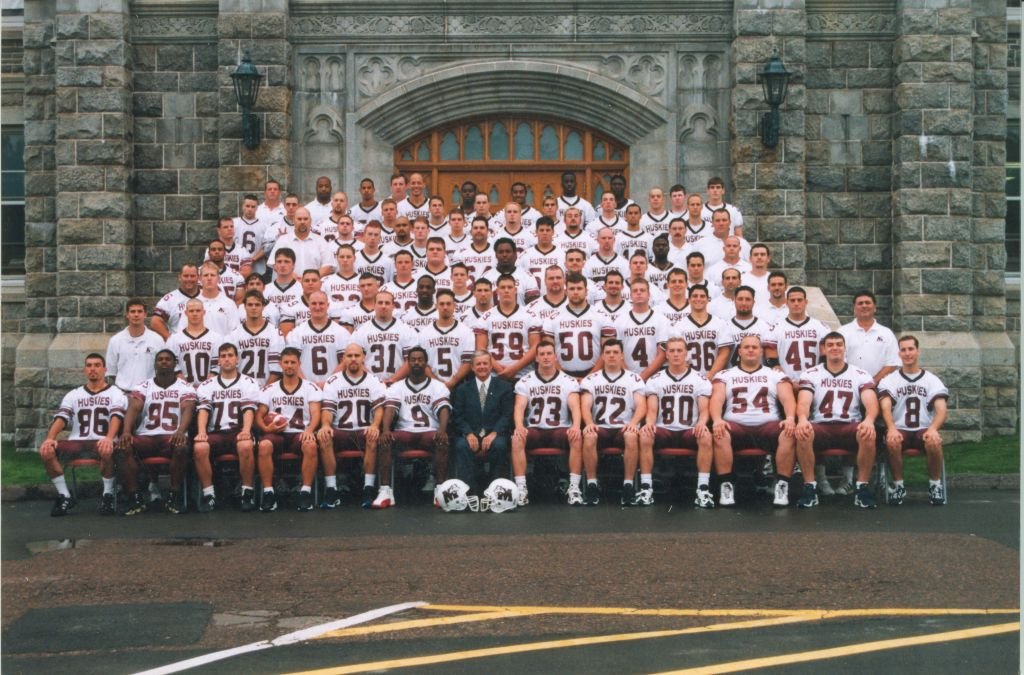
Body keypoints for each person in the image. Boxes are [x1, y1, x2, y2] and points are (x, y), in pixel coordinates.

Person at [793, 332, 879, 509]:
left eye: (839, 344)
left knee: (868, 433)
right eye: (830, 345)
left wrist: (869, 420)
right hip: (821, 425)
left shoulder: (860, 374)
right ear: (823, 349)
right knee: (803, 432)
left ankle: (862, 487)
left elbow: (871, 402)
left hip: (849, 425)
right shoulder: (811, 374)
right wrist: (802, 419)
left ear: (845, 348)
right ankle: (810, 487)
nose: (835, 348)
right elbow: (804, 401)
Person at [710, 335, 796, 507]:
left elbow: (788, 399)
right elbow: (717, 399)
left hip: (767, 425)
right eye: (746, 347)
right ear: (739, 351)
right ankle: (726, 486)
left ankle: (781, 485)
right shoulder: (725, 375)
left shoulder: (774, 375)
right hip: (735, 426)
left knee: (788, 432)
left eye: (755, 347)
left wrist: (791, 418)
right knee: (719, 432)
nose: (750, 350)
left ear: (761, 351)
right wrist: (717, 419)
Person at [39, 354, 127, 516]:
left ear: (105, 369)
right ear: (84, 370)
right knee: (46, 450)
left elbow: (117, 417)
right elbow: (61, 418)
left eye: (97, 365)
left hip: (102, 440)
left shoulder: (115, 392)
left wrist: (109, 437)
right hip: (78, 441)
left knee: (106, 449)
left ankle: (107, 494)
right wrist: (50, 438)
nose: (93, 368)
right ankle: (64, 495)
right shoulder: (74, 394)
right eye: (89, 365)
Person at [118, 350, 195, 514]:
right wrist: (126, 431)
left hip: (171, 436)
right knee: (123, 447)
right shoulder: (144, 386)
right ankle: (135, 497)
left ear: (175, 364)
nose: (164, 362)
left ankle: (174, 495)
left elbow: (188, 407)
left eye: (168, 359)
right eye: (160, 359)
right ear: (154, 364)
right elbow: (134, 408)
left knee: (181, 447)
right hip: (147, 435)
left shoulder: (185, 386)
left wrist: (181, 430)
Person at [642, 336, 715, 508]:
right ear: (666, 354)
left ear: (687, 354)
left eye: (679, 350)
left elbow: (704, 411)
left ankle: (703, 488)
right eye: (672, 351)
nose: (675, 354)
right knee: (645, 435)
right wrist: (649, 423)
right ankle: (646, 487)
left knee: (705, 436)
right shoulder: (655, 380)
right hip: (664, 429)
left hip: (689, 430)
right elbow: (652, 410)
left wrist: (702, 423)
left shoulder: (700, 380)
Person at [376, 347, 452, 508]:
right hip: (405, 432)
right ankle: (385, 490)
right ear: (408, 362)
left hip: (429, 432)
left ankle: (440, 489)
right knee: (385, 441)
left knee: (442, 441)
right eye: (413, 359)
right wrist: (386, 430)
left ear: (426, 363)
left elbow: (444, 409)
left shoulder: (438, 386)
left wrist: (442, 429)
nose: (416, 362)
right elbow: (390, 409)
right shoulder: (397, 387)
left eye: (420, 359)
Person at [878, 335, 950, 506]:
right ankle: (898, 486)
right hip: (901, 429)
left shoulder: (931, 380)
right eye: (903, 350)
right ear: (899, 354)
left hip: (923, 429)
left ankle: (935, 485)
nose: (907, 353)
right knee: (892, 441)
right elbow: (886, 408)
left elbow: (941, 410)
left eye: (911, 349)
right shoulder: (890, 380)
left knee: (933, 441)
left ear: (918, 351)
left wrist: (933, 429)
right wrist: (891, 428)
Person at [511, 341, 584, 505]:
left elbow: (575, 406)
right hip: (535, 429)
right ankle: (521, 489)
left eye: (549, 353)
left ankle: (574, 488)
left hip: (559, 429)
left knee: (576, 437)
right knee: (517, 438)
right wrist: (519, 426)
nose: (545, 357)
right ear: (536, 358)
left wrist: (576, 426)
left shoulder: (568, 381)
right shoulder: (525, 381)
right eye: (542, 354)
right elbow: (519, 407)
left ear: (555, 356)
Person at [318, 344, 388, 508]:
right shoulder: (333, 381)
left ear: (363, 358)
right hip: (341, 430)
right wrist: (325, 425)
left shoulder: (374, 381)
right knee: (324, 436)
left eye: (357, 355)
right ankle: (331, 490)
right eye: (349, 356)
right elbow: (328, 410)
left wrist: (375, 425)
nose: (353, 359)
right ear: (343, 359)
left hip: (363, 429)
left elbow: (379, 410)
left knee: (372, 436)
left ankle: (368, 488)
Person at [193, 342, 260, 512]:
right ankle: (209, 494)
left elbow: (249, 410)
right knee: (200, 447)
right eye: (223, 356)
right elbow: (203, 411)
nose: (227, 359)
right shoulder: (207, 385)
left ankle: (247, 491)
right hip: (216, 432)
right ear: (218, 361)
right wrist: (202, 432)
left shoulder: (248, 382)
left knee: (245, 445)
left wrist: (246, 430)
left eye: (230, 355)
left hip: (238, 430)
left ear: (237, 359)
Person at [254, 346, 322, 512]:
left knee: (311, 445)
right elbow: (259, 415)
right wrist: (266, 428)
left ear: (299, 364)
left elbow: (315, 414)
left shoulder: (310, 387)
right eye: (286, 362)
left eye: (293, 362)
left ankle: (305, 492)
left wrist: (309, 430)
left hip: (299, 433)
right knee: (264, 446)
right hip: (277, 434)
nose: (289, 366)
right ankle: (269, 492)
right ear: (280, 364)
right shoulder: (270, 389)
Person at [581, 340, 648, 506]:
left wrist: (633, 422)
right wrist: (589, 422)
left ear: (622, 355)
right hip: (601, 427)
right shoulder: (591, 379)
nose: (611, 355)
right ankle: (591, 484)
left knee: (632, 435)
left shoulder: (634, 379)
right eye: (608, 352)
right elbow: (585, 405)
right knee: (589, 436)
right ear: (603, 356)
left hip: (623, 427)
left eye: (615, 352)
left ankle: (628, 485)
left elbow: (641, 405)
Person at [450, 351, 515, 493]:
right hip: (471, 433)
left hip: (495, 433)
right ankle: (469, 491)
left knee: (500, 445)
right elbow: (458, 416)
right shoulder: (462, 389)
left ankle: (496, 490)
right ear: (472, 367)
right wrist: (468, 434)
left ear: (491, 366)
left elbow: (506, 415)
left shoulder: (504, 387)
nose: (482, 367)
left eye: (485, 363)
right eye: (478, 364)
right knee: (461, 445)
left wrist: (494, 433)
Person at [543, 273, 616, 379]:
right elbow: (547, 353)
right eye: (572, 289)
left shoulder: (601, 316)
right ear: (566, 292)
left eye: (579, 288)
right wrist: (565, 377)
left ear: (586, 291)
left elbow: (608, 352)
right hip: (561, 376)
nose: (576, 292)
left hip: (596, 375)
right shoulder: (552, 318)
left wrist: (590, 377)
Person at [474, 274, 540, 382]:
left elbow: (535, 347)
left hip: (524, 375)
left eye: (509, 287)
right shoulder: (486, 317)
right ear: (497, 291)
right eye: (503, 287)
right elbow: (481, 348)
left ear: (515, 290)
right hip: (495, 375)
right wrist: (500, 369)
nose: (506, 290)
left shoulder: (529, 316)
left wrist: (515, 368)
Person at [351, 290, 419, 385]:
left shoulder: (407, 330)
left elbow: (411, 360)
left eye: (387, 303)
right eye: (380, 303)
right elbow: (355, 361)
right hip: (369, 385)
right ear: (374, 305)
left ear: (393, 306)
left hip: (399, 385)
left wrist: (393, 380)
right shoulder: (361, 331)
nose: (383, 306)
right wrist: (374, 382)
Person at [286, 291, 349, 386]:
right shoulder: (297, 333)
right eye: (314, 303)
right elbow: (292, 362)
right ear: (308, 305)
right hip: (304, 387)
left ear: (328, 305)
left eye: (321, 303)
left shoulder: (341, 332)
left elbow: (344, 362)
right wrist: (306, 384)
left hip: (334, 387)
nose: (317, 307)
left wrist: (328, 383)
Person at [106, 298, 166, 392]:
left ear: (145, 314)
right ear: (127, 315)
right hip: (123, 394)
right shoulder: (115, 341)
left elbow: (163, 369)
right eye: (132, 311)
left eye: (140, 311)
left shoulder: (157, 340)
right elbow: (111, 373)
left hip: (149, 393)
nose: (136, 314)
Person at [419, 289, 474, 390]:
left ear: (454, 306)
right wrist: (437, 384)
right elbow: (424, 363)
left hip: (460, 385)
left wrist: (453, 381)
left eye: (448, 304)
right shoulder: (425, 333)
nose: (445, 307)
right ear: (436, 306)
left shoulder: (465, 331)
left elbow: (468, 362)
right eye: (442, 304)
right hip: (432, 387)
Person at [618, 278, 670, 381]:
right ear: (630, 295)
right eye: (635, 291)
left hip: (656, 377)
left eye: (642, 290)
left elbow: (662, 354)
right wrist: (630, 378)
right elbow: (617, 353)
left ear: (649, 294)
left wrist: (642, 377)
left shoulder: (661, 319)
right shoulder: (620, 320)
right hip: (627, 378)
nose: (639, 293)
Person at [229, 290, 284, 386]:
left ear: (263, 307)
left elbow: (277, 369)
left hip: (268, 389)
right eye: (250, 305)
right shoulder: (234, 335)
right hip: (242, 389)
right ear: (244, 306)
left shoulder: (275, 333)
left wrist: (265, 390)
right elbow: (230, 367)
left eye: (257, 305)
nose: (253, 308)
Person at [675, 284, 731, 378]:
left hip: (714, 378)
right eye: (695, 296)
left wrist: (710, 376)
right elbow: (676, 355)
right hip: (687, 378)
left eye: (702, 296)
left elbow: (724, 353)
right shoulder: (679, 326)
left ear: (708, 299)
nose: (698, 299)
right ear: (689, 300)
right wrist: (690, 377)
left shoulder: (720, 324)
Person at [166, 298, 223, 386]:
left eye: (198, 310)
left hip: (210, 389)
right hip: (182, 389)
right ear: (185, 313)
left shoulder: (216, 339)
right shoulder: (174, 339)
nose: (195, 314)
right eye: (191, 311)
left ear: (204, 312)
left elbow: (216, 367)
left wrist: (205, 387)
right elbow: (173, 366)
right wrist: (186, 386)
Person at [269, 207, 336, 278]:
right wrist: (292, 277)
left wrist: (310, 278)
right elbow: (274, 263)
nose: (302, 222)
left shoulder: (320, 241)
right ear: (294, 221)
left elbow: (328, 265)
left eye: (305, 219)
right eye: (299, 219)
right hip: (289, 285)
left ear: (310, 221)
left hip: (312, 285)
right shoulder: (283, 240)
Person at [481, 238, 540, 306]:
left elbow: (533, 306)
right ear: (496, 255)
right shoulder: (486, 277)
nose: (504, 255)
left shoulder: (527, 276)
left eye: (508, 251)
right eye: (501, 252)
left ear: (515, 254)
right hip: (494, 316)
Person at [151, 264, 200, 339]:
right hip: (180, 346)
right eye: (186, 276)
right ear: (179, 277)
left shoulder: (206, 296)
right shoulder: (170, 299)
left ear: (198, 277)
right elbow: (155, 322)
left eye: (192, 276)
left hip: (204, 344)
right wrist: (170, 340)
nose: (189, 279)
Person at [517, 218, 562, 293]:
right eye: (541, 230)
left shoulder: (562, 254)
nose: (544, 233)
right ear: (536, 232)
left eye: (548, 230)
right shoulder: (525, 256)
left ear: (553, 232)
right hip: (532, 299)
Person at [195, 262, 240, 336]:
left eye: (212, 275)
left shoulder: (229, 304)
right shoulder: (192, 304)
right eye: (206, 275)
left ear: (219, 278)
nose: (209, 278)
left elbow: (235, 333)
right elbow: (183, 331)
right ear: (200, 279)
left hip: (223, 346)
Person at [455, 216, 497, 281]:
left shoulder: (496, 252)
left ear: (488, 231)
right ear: (471, 231)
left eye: (482, 228)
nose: (478, 230)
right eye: (475, 228)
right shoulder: (460, 253)